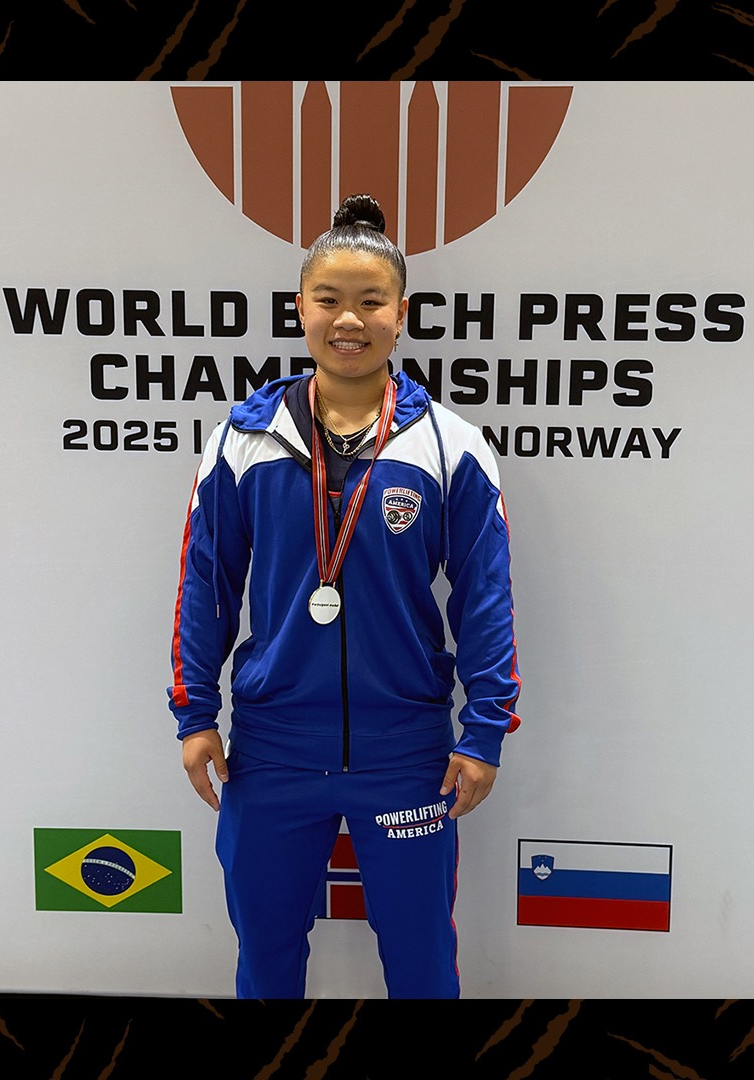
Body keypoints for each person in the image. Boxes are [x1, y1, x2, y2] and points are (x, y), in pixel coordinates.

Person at [167, 193, 521, 999]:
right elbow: (205, 583)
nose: (349, 319)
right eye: (329, 300)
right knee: (266, 959)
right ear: (301, 309)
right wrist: (195, 716)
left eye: (371, 301)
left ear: (403, 313)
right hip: (272, 746)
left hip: (407, 754)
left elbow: (485, 601)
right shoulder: (241, 440)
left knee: (423, 962)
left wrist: (484, 730)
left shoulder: (452, 446)